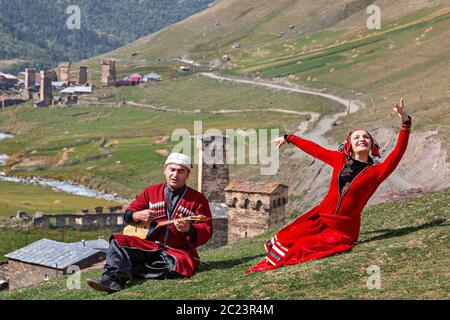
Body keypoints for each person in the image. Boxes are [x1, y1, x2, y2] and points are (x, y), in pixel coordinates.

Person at [246, 98, 412, 273]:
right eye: (356, 137)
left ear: (371, 145)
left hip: (343, 230)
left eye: (366, 137)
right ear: (350, 144)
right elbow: (315, 150)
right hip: (321, 216)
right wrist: (289, 138)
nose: (361, 139)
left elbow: (398, 152)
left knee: (303, 246)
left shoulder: (376, 172)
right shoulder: (339, 160)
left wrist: (405, 122)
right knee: (289, 236)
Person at [87, 153, 213, 292]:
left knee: (176, 266)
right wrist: (137, 215)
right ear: (165, 170)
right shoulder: (150, 192)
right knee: (118, 241)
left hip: (178, 252)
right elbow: (128, 215)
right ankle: (111, 281)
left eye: (181, 171)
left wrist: (189, 228)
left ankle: (131, 270)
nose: (175, 175)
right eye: (172, 170)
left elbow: (206, 228)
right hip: (149, 246)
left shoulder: (198, 199)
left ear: (188, 174)